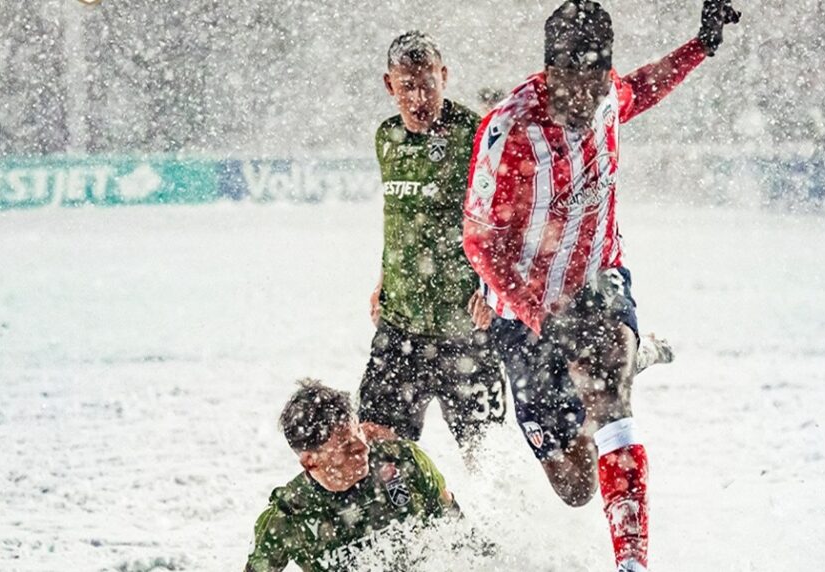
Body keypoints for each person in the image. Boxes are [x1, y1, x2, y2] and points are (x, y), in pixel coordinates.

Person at [462, 2, 740, 571]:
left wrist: (700, 45)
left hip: (596, 280)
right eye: (574, 84)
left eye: (597, 81)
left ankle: (633, 562)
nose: (587, 98)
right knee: (574, 486)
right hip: (524, 312)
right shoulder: (509, 130)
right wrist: (538, 313)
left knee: (608, 395)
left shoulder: (607, 95)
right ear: (551, 72)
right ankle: (622, 364)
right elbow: (479, 241)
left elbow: (642, 88)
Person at [358, 31, 507, 466]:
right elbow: (401, 219)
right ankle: (410, 531)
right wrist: (383, 282)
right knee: (378, 450)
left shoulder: (476, 136)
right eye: (407, 86)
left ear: (444, 77)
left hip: (465, 326)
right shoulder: (386, 138)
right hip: (400, 324)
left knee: (487, 461)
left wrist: (492, 292)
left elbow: (504, 223)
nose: (419, 96)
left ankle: (501, 534)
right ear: (390, 85)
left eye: (428, 83)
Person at [245, 379, 459, 572]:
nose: (363, 447)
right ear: (310, 461)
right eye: (346, 446)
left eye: (359, 433)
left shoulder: (403, 460)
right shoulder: (289, 516)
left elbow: (458, 532)